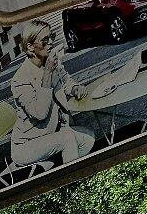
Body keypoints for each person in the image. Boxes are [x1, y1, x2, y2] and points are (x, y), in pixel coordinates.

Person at [10, 20, 95, 171]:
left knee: (88, 138)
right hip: (27, 145)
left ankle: (65, 170)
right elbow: (40, 113)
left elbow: (65, 80)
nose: (50, 43)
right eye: (44, 40)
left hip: (52, 134)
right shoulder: (20, 80)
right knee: (67, 139)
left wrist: (75, 88)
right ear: (30, 47)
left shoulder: (48, 59)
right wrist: (47, 73)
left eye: (51, 37)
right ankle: (73, 176)